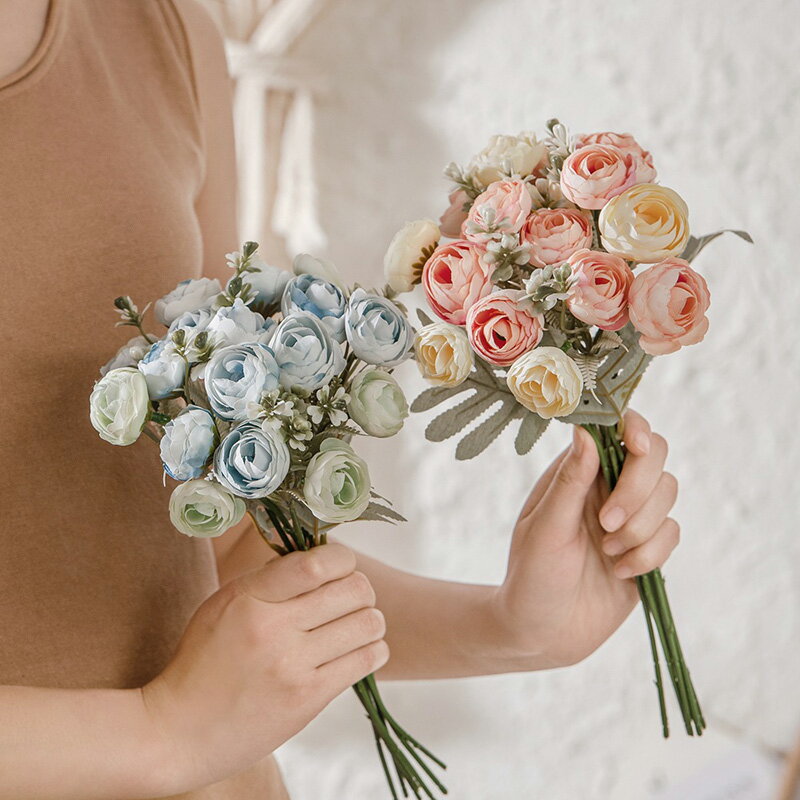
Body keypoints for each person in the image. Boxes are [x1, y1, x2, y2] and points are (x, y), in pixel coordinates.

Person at [0, 1, 681, 798]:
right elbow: (185, 717)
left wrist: (508, 627)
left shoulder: (159, 30)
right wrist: (161, 734)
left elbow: (216, 543)